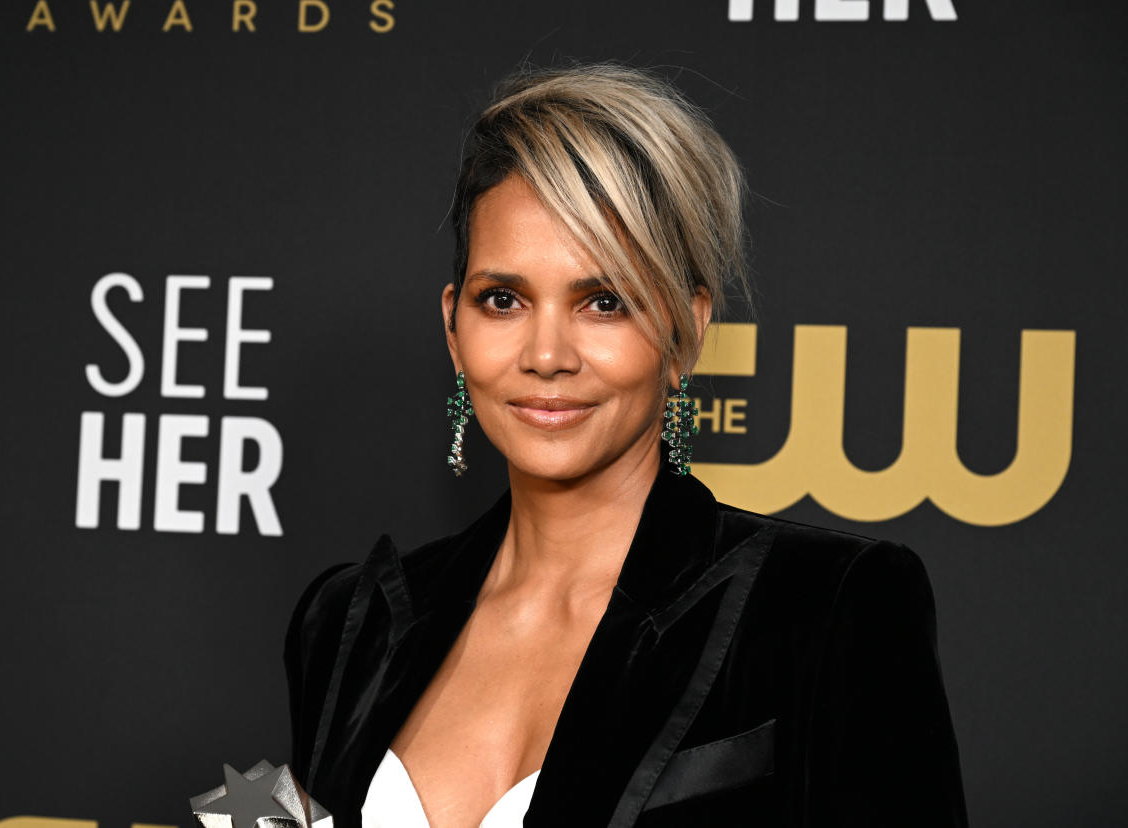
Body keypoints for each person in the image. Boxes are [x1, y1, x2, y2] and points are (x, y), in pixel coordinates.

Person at [285, 63, 968, 828]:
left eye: (603, 302)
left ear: (685, 331)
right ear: (454, 328)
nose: (547, 354)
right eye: (502, 300)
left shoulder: (829, 609)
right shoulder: (353, 619)